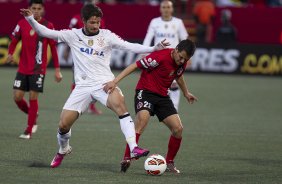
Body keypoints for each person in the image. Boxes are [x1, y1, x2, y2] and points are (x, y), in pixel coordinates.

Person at [20, 4, 168, 168]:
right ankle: (63, 149)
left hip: (104, 83)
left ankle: (133, 148)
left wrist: (153, 48)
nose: (95, 25)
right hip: (82, 87)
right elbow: (45, 32)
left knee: (120, 106)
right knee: (63, 125)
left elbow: (130, 46)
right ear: (83, 21)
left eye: (98, 22)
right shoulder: (72, 35)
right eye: (92, 22)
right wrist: (30, 19)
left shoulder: (107, 36)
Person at [104, 39, 198, 173]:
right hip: (145, 92)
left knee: (178, 129)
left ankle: (170, 162)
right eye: (181, 57)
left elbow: (179, 76)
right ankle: (127, 158)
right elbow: (135, 66)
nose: (182, 61)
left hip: (163, 97)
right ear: (176, 50)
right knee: (142, 120)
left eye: (185, 59)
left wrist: (186, 92)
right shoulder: (160, 56)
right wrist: (114, 81)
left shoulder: (181, 63)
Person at [6, 0, 62, 139]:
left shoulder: (48, 26)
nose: (36, 11)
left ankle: (29, 130)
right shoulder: (21, 23)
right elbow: (14, 41)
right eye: (34, 8)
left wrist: (57, 69)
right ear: (29, 9)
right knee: (17, 98)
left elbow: (53, 49)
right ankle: (33, 114)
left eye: (39, 8)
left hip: (38, 69)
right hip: (23, 68)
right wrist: (10, 53)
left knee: (32, 97)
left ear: (42, 10)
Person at [143, 0, 188, 111]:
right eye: (164, 7)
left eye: (168, 7)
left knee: (174, 83)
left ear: (172, 9)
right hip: (158, 57)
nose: (166, 9)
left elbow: (185, 39)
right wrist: (144, 51)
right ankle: (156, 106)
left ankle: (174, 108)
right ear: (160, 9)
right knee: (158, 83)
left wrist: (187, 56)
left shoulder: (178, 22)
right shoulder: (155, 22)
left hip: (175, 58)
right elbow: (148, 37)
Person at [64, 0, 105, 115]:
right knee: (77, 79)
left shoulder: (98, 20)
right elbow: (70, 35)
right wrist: (67, 50)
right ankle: (75, 104)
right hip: (79, 55)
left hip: (93, 56)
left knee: (94, 80)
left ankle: (91, 106)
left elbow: (102, 38)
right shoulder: (76, 19)